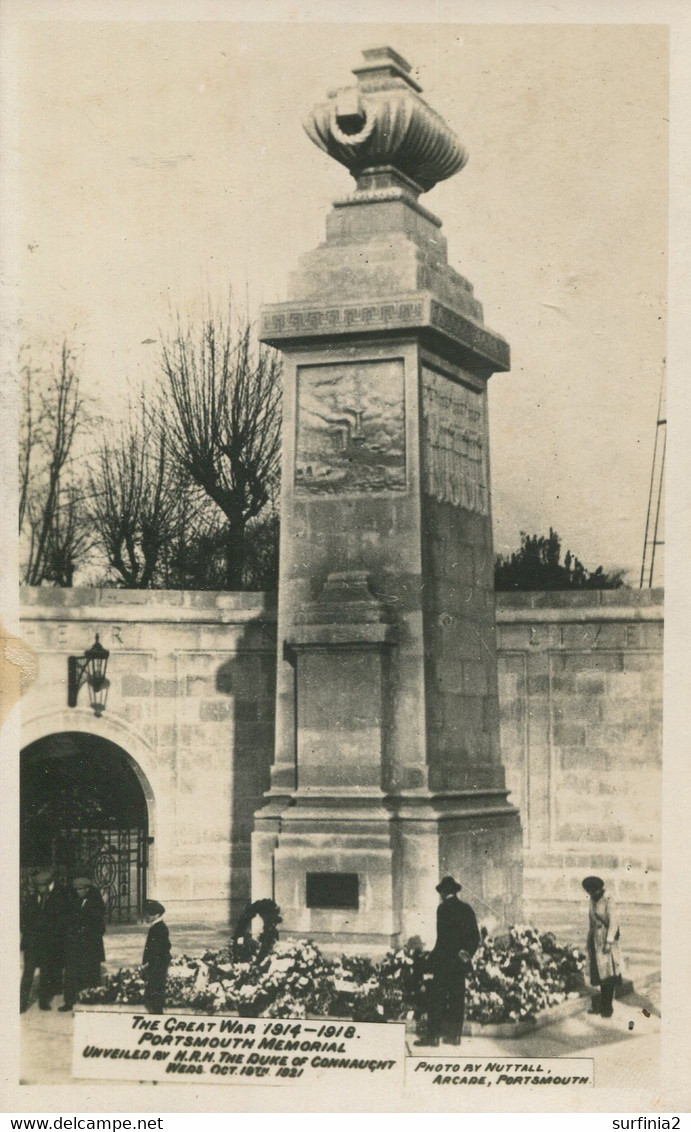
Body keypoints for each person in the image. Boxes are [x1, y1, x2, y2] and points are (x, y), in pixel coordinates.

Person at [418, 875, 481, 1046]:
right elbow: (475, 936)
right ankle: (455, 1036)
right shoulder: (466, 909)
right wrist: (466, 953)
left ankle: (432, 1037)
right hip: (459, 964)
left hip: (444, 961)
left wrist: (430, 960)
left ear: (444, 892)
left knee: (436, 998)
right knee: (456, 998)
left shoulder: (443, 909)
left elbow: (443, 939)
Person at [20, 868, 67, 1013]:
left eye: (44, 886)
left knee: (46, 973)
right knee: (28, 973)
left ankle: (43, 1001)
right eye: (39, 887)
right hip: (32, 944)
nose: (41, 889)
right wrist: (30, 932)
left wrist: (52, 937)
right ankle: (22, 1003)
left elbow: (59, 922)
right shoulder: (29, 901)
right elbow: (22, 921)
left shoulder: (55, 901)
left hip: (47, 944)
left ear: (48, 886)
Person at [59, 870, 106, 1012]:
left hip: (90, 946)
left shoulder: (96, 903)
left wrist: (85, 934)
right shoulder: (74, 901)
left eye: (81, 889)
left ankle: (89, 1002)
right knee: (71, 974)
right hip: (74, 945)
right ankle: (70, 1002)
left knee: (90, 975)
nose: (78, 891)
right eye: (77, 889)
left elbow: (99, 927)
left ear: (87, 889)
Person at [582, 875, 622, 1018]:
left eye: (593, 891)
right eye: (589, 891)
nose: (591, 894)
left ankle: (607, 1008)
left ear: (599, 889)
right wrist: (589, 941)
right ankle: (601, 1006)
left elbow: (613, 922)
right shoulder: (592, 900)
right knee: (598, 975)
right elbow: (591, 922)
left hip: (606, 940)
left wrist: (609, 942)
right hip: (595, 940)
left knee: (608, 976)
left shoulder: (608, 900)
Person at [142, 899, 171, 1014]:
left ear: (157, 915)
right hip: (156, 964)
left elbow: (160, 948)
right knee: (154, 992)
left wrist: (149, 962)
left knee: (155, 992)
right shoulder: (157, 926)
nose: (147, 916)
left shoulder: (159, 928)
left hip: (157, 965)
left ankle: (157, 1015)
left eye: (150, 914)